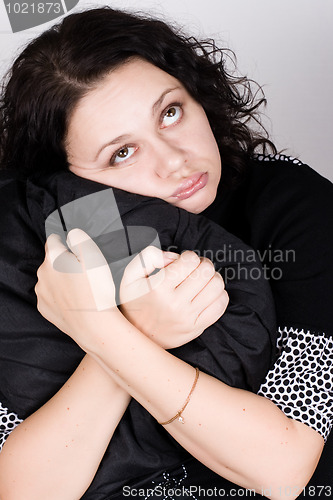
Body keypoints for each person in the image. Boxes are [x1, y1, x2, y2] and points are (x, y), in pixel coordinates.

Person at [0, 6, 331, 499]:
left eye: (170, 113)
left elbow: (283, 465)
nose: (175, 161)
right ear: (68, 179)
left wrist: (111, 330)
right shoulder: (39, 243)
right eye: (122, 152)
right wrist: (138, 334)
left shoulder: (291, 202)